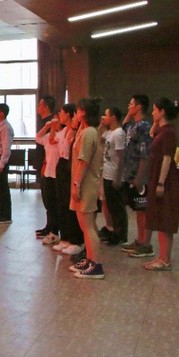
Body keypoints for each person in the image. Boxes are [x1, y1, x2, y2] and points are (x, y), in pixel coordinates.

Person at [140, 98, 179, 270]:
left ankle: (165, 260)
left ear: (162, 111)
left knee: (165, 219)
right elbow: (151, 134)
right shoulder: (161, 130)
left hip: (165, 179)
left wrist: (161, 183)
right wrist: (156, 122)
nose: (152, 113)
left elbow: (167, 158)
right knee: (158, 217)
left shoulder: (169, 132)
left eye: (155, 110)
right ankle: (162, 257)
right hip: (156, 176)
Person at [69, 97, 106, 279]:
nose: (75, 114)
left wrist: (77, 184)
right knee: (85, 225)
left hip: (87, 183)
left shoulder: (89, 132)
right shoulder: (85, 131)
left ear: (83, 113)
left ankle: (96, 265)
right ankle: (90, 259)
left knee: (88, 226)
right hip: (84, 182)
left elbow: (84, 161)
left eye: (77, 111)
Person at [120, 95, 153, 258]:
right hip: (130, 174)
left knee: (143, 210)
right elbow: (123, 126)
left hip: (140, 176)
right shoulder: (133, 125)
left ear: (139, 107)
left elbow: (145, 154)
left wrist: (140, 177)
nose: (128, 105)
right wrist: (130, 113)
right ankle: (140, 240)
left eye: (131, 103)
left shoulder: (144, 126)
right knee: (138, 211)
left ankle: (146, 244)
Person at [51, 103, 85, 256]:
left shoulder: (78, 132)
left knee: (70, 204)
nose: (59, 114)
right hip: (62, 165)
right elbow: (51, 140)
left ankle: (76, 240)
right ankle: (65, 237)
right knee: (61, 202)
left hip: (70, 166)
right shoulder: (64, 131)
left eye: (62, 112)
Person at [99, 106, 125, 245]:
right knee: (110, 206)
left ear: (113, 117)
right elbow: (100, 139)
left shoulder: (119, 133)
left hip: (114, 174)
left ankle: (121, 234)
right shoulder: (110, 132)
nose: (104, 117)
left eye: (106, 115)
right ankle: (114, 231)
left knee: (117, 207)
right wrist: (102, 125)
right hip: (107, 173)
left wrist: (118, 177)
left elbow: (121, 157)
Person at [35, 107, 61, 245]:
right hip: (48, 172)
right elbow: (38, 137)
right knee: (48, 203)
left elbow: (52, 140)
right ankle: (50, 228)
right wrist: (47, 126)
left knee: (55, 204)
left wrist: (53, 129)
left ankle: (55, 231)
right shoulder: (48, 136)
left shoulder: (61, 135)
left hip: (57, 174)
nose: (55, 121)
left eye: (57, 118)